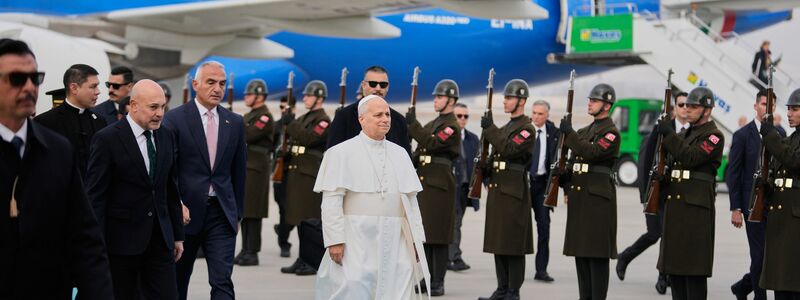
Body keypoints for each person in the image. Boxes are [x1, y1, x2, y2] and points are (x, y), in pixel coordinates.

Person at [0, 38, 113, 299]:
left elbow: (84, 237)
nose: (29, 87)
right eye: (17, 79)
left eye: (34, 78)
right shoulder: (53, 125)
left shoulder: (57, 151)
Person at [314, 95, 429, 299]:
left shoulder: (400, 153)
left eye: (387, 114)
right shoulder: (340, 153)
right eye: (378, 115)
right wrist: (335, 240)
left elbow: (412, 202)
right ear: (362, 119)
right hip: (356, 236)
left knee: (397, 287)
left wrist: (416, 240)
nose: (385, 119)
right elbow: (331, 201)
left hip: (397, 238)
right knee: (353, 285)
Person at [86, 79, 184, 300]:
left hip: (160, 240)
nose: (160, 113)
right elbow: (95, 197)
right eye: (153, 107)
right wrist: (95, 244)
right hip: (121, 243)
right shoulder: (107, 139)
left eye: (162, 107)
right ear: (134, 105)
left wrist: (177, 235)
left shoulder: (166, 135)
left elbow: (169, 188)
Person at [164, 61, 246, 300]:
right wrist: (175, 203)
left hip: (221, 214)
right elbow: (168, 171)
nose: (217, 88)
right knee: (178, 280)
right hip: (185, 215)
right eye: (211, 82)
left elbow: (239, 171)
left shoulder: (235, 122)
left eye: (222, 84)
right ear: (195, 85)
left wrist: (237, 213)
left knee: (222, 281)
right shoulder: (175, 119)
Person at [618, 91, 691, 294]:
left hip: (680, 197)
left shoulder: (694, 133)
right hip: (658, 195)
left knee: (668, 236)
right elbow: (644, 163)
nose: (685, 108)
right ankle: (628, 258)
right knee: (656, 233)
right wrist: (645, 196)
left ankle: (663, 274)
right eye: (681, 104)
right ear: (673, 108)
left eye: (688, 105)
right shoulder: (659, 133)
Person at [655, 86, 723, 300]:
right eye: (686, 106)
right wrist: (662, 179)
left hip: (695, 211)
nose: (687, 110)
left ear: (707, 110)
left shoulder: (714, 136)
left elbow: (692, 157)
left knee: (693, 274)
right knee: (675, 272)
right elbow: (675, 165)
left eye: (694, 107)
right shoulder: (683, 134)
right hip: (676, 208)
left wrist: (668, 134)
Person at [559, 83, 620, 300]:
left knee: (596, 257)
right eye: (590, 100)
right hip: (581, 200)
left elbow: (592, 152)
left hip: (597, 203)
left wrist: (570, 134)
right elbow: (574, 159)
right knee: (582, 255)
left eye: (594, 100)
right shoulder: (585, 131)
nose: (590, 103)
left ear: (607, 105)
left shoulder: (611, 133)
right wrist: (562, 177)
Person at [477, 79, 536, 300]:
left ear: (521, 101)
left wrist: (489, 128)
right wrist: (485, 166)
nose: (504, 101)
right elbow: (497, 153)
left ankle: (513, 291)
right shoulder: (506, 127)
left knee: (512, 245)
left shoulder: (527, 129)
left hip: (513, 194)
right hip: (499, 191)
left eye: (509, 98)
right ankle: (502, 289)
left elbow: (509, 149)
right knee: (499, 243)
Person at [727, 90, 785, 300]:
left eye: (771, 105)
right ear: (755, 106)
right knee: (759, 257)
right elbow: (733, 173)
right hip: (752, 204)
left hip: (777, 205)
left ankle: (742, 287)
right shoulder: (743, 135)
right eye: (763, 104)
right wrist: (735, 208)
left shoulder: (780, 133)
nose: (767, 108)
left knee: (774, 256)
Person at [406, 79, 461, 296]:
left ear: (451, 100)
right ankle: (427, 277)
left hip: (440, 186)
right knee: (427, 233)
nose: (435, 100)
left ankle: (438, 280)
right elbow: (421, 145)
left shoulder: (451, 126)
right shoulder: (436, 122)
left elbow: (430, 143)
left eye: (439, 97)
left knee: (438, 235)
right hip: (427, 184)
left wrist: (413, 124)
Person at [280, 80, 330, 276]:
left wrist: (290, 123)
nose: (305, 98)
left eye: (308, 95)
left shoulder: (323, 120)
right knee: (300, 219)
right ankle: (302, 258)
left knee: (309, 220)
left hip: (309, 174)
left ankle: (312, 261)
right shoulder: (304, 118)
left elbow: (310, 139)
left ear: (319, 98)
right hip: (297, 172)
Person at [757, 88, 800, 300]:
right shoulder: (792, 138)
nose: (789, 114)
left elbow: (794, 161)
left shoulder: (789, 141)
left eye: (795, 109)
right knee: (781, 284)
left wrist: (771, 136)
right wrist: (767, 184)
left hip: (795, 221)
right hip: (781, 219)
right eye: (789, 109)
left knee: (793, 282)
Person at [35, 63, 106, 178]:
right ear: (74, 88)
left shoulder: (100, 121)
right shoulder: (45, 122)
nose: (98, 91)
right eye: (93, 86)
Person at [326, 65, 411, 155]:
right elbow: (333, 153)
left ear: (388, 87)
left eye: (383, 85)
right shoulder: (344, 116)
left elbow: (405, 157)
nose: (378, 88)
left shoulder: (399, 120)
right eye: (373, 84)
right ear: (363, 85)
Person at [234, 79, 275, 266]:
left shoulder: (264, 116)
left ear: (259, 96)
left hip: (257, 169)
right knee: (245, 210)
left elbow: (248, 134)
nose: (246, 97)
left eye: (249, 94)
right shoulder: (250, 115)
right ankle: (245, 249)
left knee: (254, 211)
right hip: (248, 167)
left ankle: (253, 251)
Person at [528, 99, 559, 283]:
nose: (537, 116)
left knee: (544, 228)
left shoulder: (554, 133)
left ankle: (541, 270)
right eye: (534, 113)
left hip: (542, 185)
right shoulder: (524, 130)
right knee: (519, 228)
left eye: (540, 113)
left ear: (547, 115)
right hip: (524, 184)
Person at [448, 102, 479, 272]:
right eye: (458, 116)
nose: (462, 119)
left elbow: (478, 162)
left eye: (465, 116)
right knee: (455, 222)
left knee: (457, 221)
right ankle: (455, 257)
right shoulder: (447, 136)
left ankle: (448, 256)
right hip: (452, 185)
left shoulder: (473, 138)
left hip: (466, 187)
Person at [273, 95, 295, 258]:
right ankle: (283, 237)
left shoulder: (297, 125)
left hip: (292, 173)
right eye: (281, 108)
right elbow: (270, 145)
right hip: (278, 172)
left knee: (291, 211)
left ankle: (283, 240)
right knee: (282, 208)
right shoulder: (276, 125)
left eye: (286, 108)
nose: (283, 111)